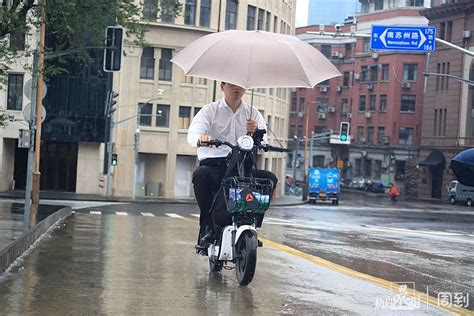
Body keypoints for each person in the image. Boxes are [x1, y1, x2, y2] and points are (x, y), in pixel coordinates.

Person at [187, 82, 277, 250]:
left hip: (243, 165)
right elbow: (194, 132)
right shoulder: (210, 110)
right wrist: (201, 138)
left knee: (269, 179)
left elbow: (263, 141)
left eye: (240, 85)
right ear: (222, 87)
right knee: (201, 175)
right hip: (215, 164)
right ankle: (208, 226)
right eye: (231, 85)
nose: (236, 88)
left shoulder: (252, 113)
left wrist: (255, 131)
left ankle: (252, 227)